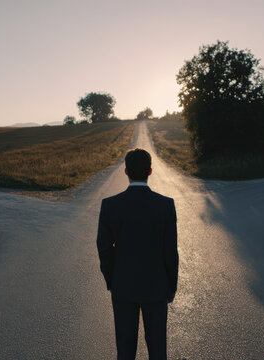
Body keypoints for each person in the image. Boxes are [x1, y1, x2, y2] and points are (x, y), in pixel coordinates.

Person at [96, 148, 178, 360]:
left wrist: (112, 280)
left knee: (125, 350)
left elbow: (104, 248)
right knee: (158, 349)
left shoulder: (110, 206)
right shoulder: (165, 205)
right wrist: (171, 285)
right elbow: (170, 250)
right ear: (150, 172)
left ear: (125, 172)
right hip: (157, 287)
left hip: (123, 287)